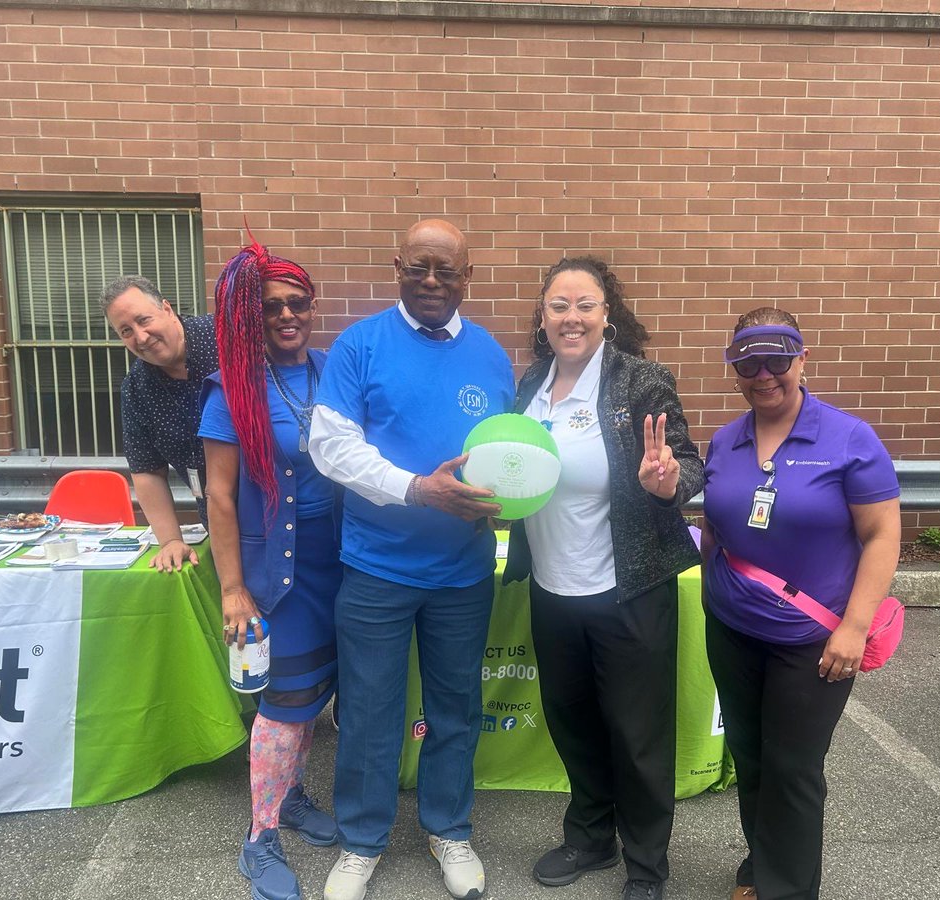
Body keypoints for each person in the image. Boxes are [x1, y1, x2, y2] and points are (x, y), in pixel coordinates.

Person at [308, 219, 515, 900]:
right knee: (369, 711)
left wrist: (510, 498)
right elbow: (330, 447)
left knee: (455, 708)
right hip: (376, 568)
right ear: (397, 265)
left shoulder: (489, 354)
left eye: (446, 271)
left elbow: (504, 457)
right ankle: (361, 842)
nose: (432, 282)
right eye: (419, 267)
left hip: (462, 573)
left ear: (468, 276)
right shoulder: (359, 344)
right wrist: (418, 489)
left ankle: (449, 830)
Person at [502, 257, 704, 900]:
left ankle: (646, 865)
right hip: (553, 590)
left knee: (638, 736)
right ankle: (590, 836)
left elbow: (689, 465)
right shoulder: (531, 385)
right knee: (572, 719)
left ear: (606, 314)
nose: (571, 317)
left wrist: (669, 485)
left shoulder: (640, 381)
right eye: (559, 304)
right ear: (543, 315)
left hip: (629, 590)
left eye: (584, 304)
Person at [700, 308, 901, 900]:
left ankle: (786, 889)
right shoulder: (725, 439)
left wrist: (855, 628)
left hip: (814, 640)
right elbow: (714, 531)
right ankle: (762, 866)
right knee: (752, 757)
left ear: (801, 359)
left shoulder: (848, 438)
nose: (763, 374)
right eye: (747, 362)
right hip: (732, 628)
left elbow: (882, 535)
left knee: (792, 768)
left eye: (776, 360)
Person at [199, 241, 340, 900]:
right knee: (283, 705)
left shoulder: (332, 370)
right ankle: (259, 836)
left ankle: (291, 798)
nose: (287, 315)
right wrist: (232, 586)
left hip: (340, 565)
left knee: (312, 699)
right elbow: (219, 495)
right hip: (276, 575)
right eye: (271, 308)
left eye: (297, 303)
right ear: (249, 320)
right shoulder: (231, 388)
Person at [102, 275, 216, 572]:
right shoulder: (136, 388)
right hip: (217, 524)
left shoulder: (222, 338)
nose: (140, 337)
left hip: (280, 514)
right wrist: (169, 541)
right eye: (126, 331)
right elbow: (147, 470)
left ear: (167, 308)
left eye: (144, 320)